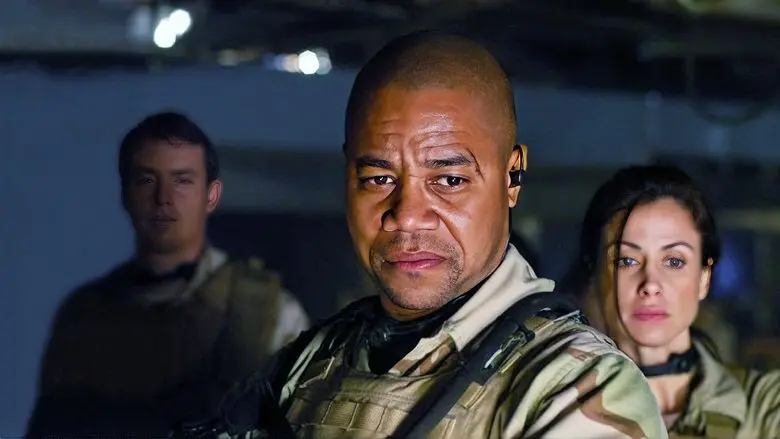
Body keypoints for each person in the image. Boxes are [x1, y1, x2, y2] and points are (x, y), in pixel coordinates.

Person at [210, 31, 666, 439]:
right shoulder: (307, 363)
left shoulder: (575, 389)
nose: (407, 217)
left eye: (449, 180)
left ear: (512, 177)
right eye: (379, 179)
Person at [26, 112, 310, 437]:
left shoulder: (268, 312)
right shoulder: (82, 316)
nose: (163, 199)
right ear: (126, 194)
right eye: (147, 180)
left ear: (211, 195)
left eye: (182, 180)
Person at [561, 164, 780, 437]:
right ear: (594, 275)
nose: (651, 284)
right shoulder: (555, 409)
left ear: (704, 278)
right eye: (626, 261)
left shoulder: (764, 407)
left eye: (674, 261)